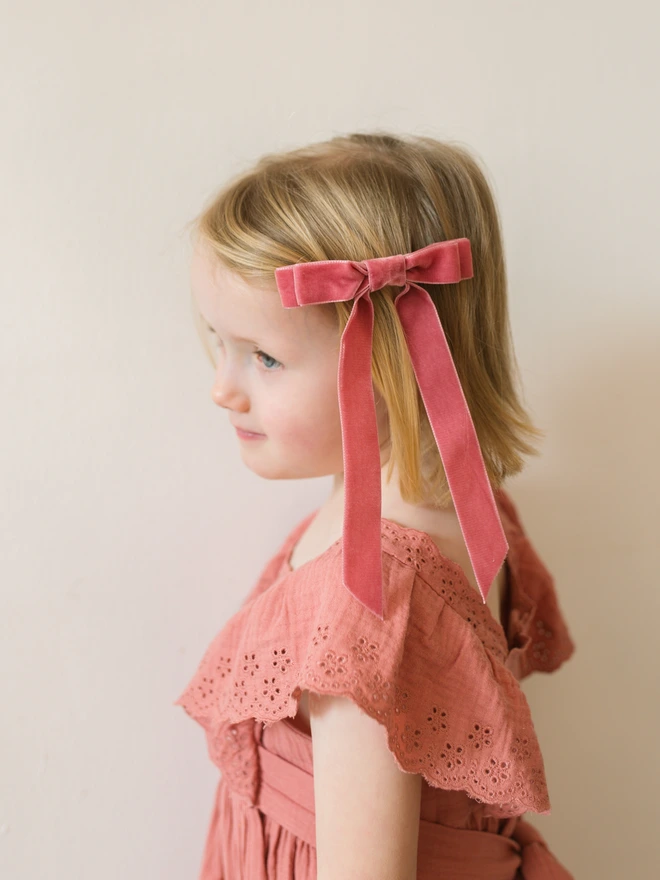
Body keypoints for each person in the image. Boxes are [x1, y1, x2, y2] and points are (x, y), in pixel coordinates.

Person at [174, 131, 576, 880]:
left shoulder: (368, 598)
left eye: (263, 357)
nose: (222, 386)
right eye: (216, 342)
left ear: (390, 357)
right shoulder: (466, 511)